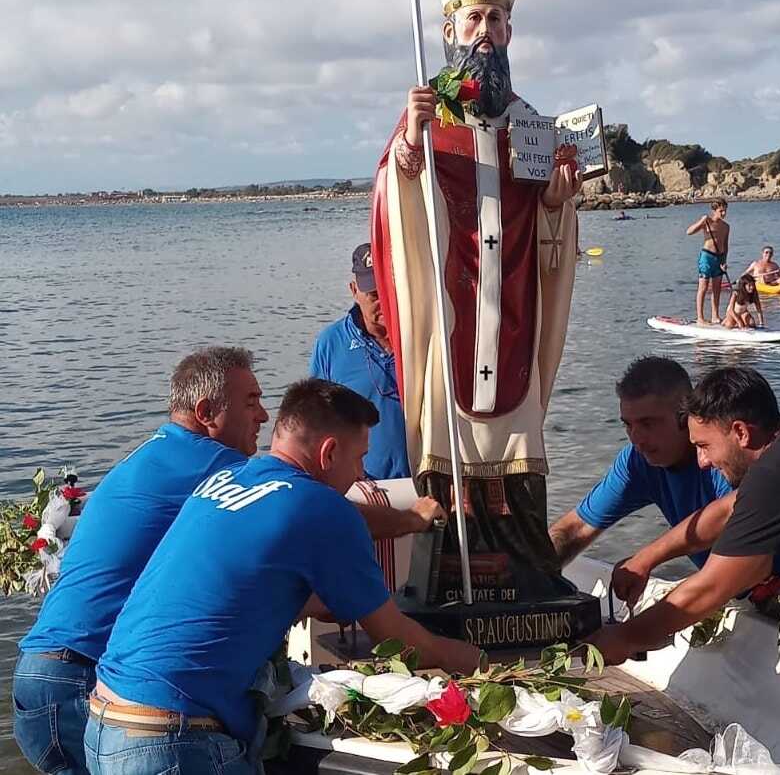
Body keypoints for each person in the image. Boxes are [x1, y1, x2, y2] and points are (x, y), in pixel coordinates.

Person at [85, 380, 480, 774]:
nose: (361, 474)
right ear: (329, 452)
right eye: (360, 458)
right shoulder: (321, 506)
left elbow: (233, 589)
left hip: (106, 722)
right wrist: (471, 660)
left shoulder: (221, 481)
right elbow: (398, 642)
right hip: (174, 739)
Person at [371, 0, 582, 603]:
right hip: (456, 308)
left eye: (495, 18)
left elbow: (550, 220)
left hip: (514, 302)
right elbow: (394, 199)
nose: (484, 30)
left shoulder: (532, 123)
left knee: (516, 427)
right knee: (449, 426)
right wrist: (409, 145)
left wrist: (554, 201)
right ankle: (448, 578)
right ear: (450, 29)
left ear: (510, 31)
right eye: (473, 18)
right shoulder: (429, 115)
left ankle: (524, 574)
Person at [14, 347, 269, 775]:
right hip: (81, 678)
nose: (263, 415)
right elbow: (300, 509)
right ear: (206, 412)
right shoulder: (212, 463)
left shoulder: (154, 453)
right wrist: (414, 515)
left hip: (39, 673)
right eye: (252, 401)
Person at [591, 367, 780, 666]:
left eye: (704, 446)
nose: (702, 462)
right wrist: (646, 558)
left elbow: (715, 585)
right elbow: (723, 512)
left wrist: (626, 637)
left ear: (740, 432)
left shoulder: (778, 472)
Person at [548, 357, 732, 571]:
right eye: (628, 425)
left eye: (647, 423)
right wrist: (531, 571)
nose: (636, 438)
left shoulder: (721, 459)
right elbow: (575, 530)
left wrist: (646, 559)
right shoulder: (637, 461)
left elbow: (738, 547)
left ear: (685, 416)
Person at [310, 243, 410, 481]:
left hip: (430, 482)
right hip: (364, 487)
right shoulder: (331, 343)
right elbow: (316, 420)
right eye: (374, 294)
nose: (384, 301)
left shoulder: (425, 335)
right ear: (354, 290)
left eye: (389, 290)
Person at [686, 199, 729, 325]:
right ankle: (700, 318)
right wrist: (701, 221)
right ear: (714, 211)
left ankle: (715, 316)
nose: (724, 213)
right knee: (703, 287)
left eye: (725, 210)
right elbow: (689, 232)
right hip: (707, 257)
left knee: (717, 288)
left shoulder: (726, 227)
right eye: (721, 211)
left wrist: (724, 261)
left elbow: (725, 245)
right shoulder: (707, 221)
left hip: (719, 258)